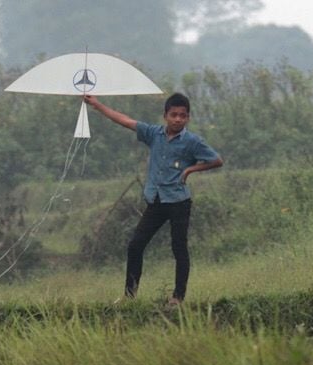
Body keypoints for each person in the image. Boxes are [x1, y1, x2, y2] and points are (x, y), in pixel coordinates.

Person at [84, 93, 223, 304]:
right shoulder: (153, 134)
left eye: (183, 116)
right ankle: (130, 296)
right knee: (135, 245)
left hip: (179, 202)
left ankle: (178, 297)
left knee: (179, 248)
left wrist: (190, 170)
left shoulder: (192, 141)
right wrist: (97, 104)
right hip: (157, 201)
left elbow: (216, 160)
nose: (178, 119)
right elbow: (124, 120)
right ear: (165, 115)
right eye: (174, 115)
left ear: (188, 118)